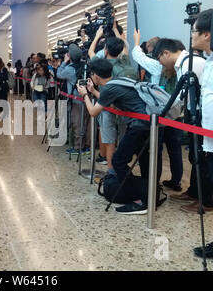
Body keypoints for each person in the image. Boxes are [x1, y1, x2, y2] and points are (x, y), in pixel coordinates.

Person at [77, 58, 163, 215]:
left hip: (139, 126)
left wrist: (84, 95)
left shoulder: (110, 88)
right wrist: (93, 91)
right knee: (144, 160)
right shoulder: (117, 82)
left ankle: (138, 197)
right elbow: (108, 102)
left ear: (95, 75)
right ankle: (148, 194)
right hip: (150, 124)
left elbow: (93, 111)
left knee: (118, 161)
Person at [152, 38, 207, 206]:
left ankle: (205, 199)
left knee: (202, 157)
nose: (161, 64)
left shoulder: (190, 64)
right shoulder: (185, 63)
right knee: (194, 156)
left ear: (166, 53)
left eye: (159, 59)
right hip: (195, 115)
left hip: (202, 116)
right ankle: (193, 192)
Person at [88, 25, 137, 174]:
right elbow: (125, 49)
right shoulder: (125, 61)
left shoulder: (102, 65)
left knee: (109, 141)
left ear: (106, 51)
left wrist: (97, 36)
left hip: (106, 106)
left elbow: (90, 52)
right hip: (123, 108)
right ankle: (121, 167)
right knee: (122, 138)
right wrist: (116, 30)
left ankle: (111, 171)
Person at [190, 8, 213, 258]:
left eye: (195, 30)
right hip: (209, 138)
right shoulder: (209, 61)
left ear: (207, 34)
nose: (192, 34)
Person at [57, 44, 91, 155]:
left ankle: (77, 147)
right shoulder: (84, 66)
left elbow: (59, 74)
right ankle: (86, 146)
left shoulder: (69, 69)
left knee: (77, 123)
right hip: (87, 98)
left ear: (70, 55)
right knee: (85, 122)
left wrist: (64, 61)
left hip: (76, 100)